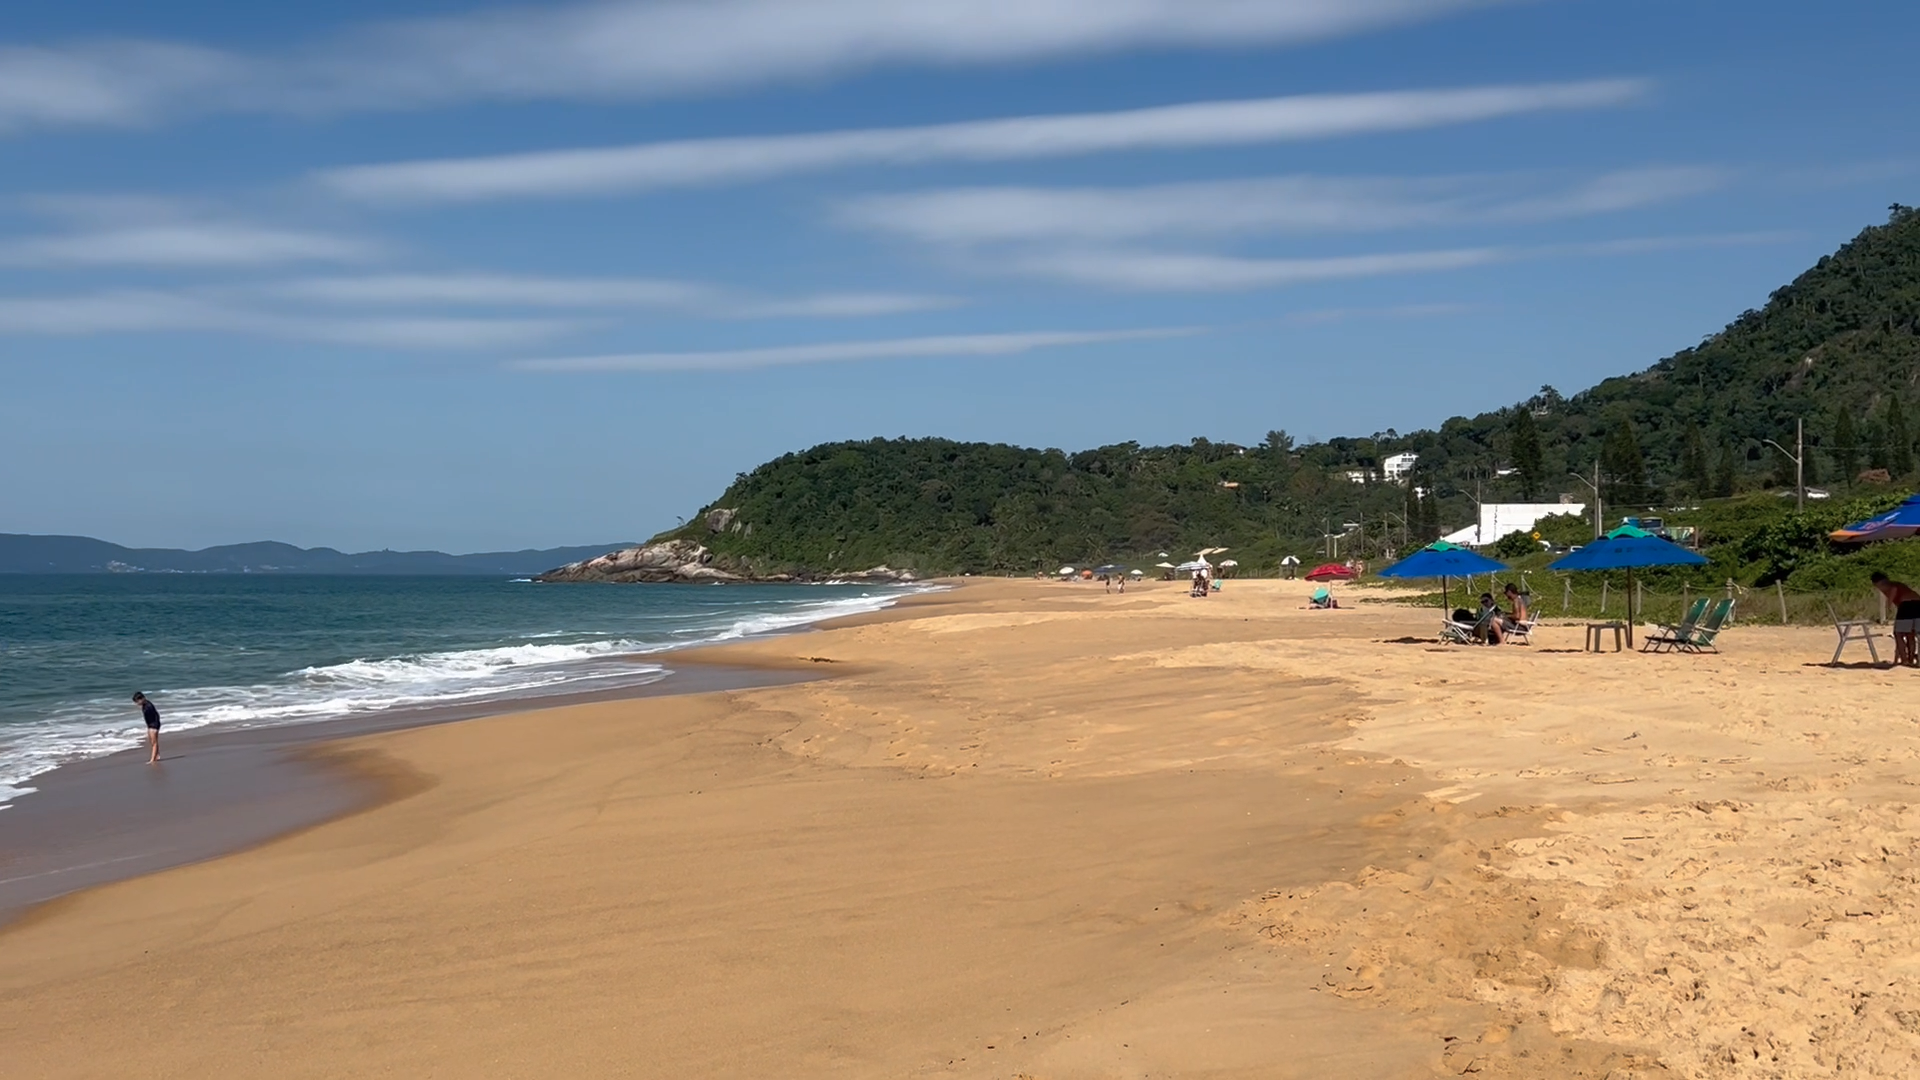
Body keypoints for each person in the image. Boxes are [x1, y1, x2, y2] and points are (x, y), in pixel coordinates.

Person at [1871, 572, 1920, 666]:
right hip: (1918, 604)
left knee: (1898, 634)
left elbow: (1894, 590)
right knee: (1911, 634)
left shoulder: (1890, 586)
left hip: (1907, 605)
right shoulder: (1896, 584)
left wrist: (1889, 605)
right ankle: (1910, 658)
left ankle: (1905, 660)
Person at [132, 691, 161, 764]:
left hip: (154, 725)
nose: (137, 703)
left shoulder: (148, 706)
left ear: (142, 699)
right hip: (150, 725)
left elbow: (156, 715)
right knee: (151, 741)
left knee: (154, 742)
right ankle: (157, 755)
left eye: (137, 701)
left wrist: (155, 727)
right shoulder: (145, 705)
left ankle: (152, 759)